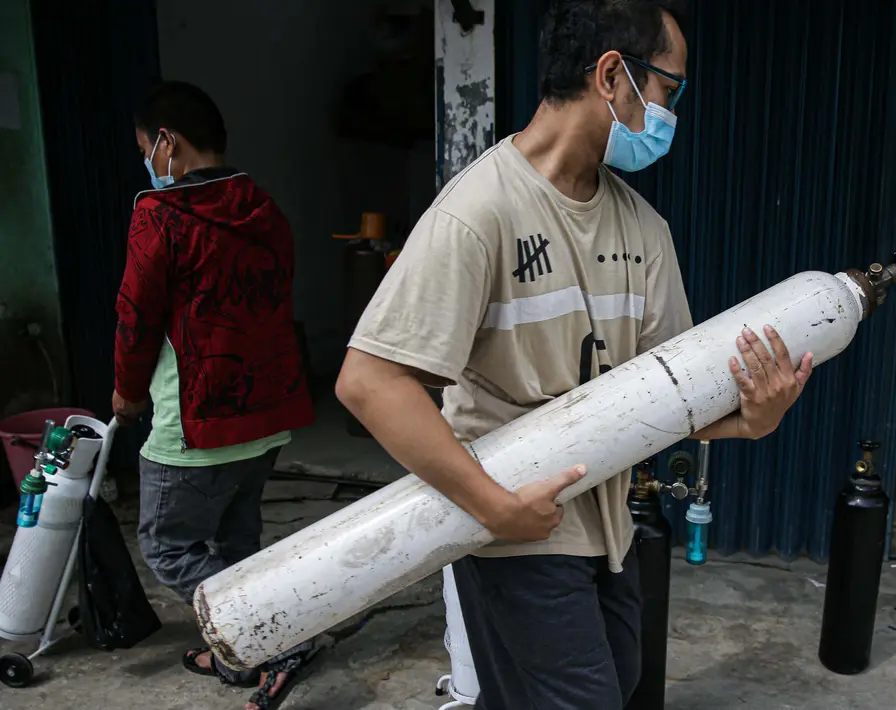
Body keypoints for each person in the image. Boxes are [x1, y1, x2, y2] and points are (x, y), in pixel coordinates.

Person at [336, 1, 814, 708]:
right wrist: (492, 508)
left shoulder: (643, 228)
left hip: (605, 519)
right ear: (612, 76)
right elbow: (370, 382)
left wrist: (752, 420)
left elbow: (671, 395)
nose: (671, 113)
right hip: (515, 523)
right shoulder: (478, 213)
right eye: (668, 90)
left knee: (612, 682)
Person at [112, 80, 317, 710]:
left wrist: (125, 391)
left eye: (147, 147)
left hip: (194, 422)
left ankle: (274, 636)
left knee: (167, 547)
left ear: (167, 144)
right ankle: (250, 647)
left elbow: (136, 315)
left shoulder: (162, 215)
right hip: (266, 414)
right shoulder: (263, 209)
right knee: (233, 544)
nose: (147, 161)